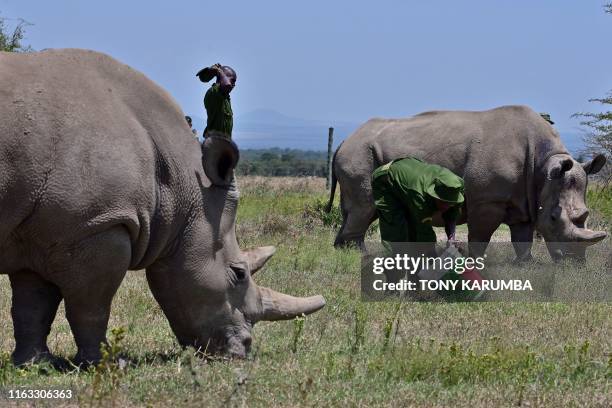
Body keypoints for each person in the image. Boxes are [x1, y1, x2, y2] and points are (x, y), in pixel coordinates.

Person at [371, 157, 464, 252]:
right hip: (386, 179)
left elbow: (452, 216)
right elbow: (424, 232)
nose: (446, 207)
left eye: (450, 204)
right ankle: (395, 260)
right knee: (396, 229)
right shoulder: (420, 196)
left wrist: (451, 239)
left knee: (413, 230)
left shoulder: (455, 188)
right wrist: (432, 260)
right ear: (434, 195)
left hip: (410, 172)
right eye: (443, 203)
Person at [196, 64, 237, 139]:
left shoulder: (225, 98)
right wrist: (220, 72)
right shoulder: (214, 93)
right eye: (232, 80)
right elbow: (227, 85)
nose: (233, 85)